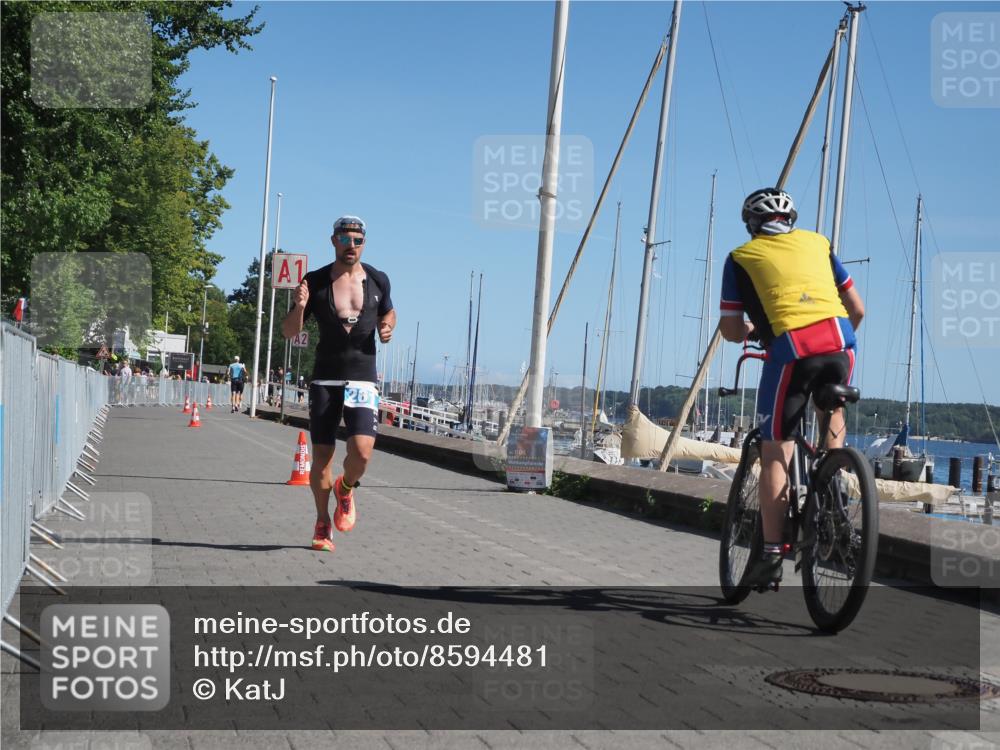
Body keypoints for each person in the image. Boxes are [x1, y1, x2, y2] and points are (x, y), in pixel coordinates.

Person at [719, 188, 865, 588]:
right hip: (841, 343)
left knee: (775, 452)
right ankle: (833, 490)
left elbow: (730, 329)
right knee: (831, 406)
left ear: (751, 225)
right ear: (791, 221)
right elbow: (857, 309)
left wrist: (749, 330)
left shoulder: (741, 258)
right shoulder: (819, 243)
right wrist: (833, 344)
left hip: (793, 351)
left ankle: (770, 554)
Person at [283, 215, 395, 552]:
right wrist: (300, 307)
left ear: (364, 243)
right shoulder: (315, 281)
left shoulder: (378, 279)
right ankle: (322, 523)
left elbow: (388, 312)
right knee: (322, 455)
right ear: (333, 241)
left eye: (357, 241)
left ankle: (345, 488)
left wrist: (387, 326)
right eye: (345, 239)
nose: (351, 246)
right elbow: (289, 331)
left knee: (362, 452)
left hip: (363, 377)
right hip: (325, 378)